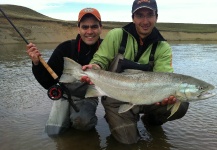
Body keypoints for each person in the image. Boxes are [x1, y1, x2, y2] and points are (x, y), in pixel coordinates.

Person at [81, 0, 189, 144]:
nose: (145, 21)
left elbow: (165, 77)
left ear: (156, 17)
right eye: (140, 15)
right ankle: (114, 116)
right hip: (116, 99)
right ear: (133, 17)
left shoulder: (163, 47)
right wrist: (93, 68)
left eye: (149, 15)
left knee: (181, 104)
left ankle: (151, 120)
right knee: (128, 143)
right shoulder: (116, 36)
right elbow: (100, 60)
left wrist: (167, 97)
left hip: (149, 98)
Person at [26, 8, 103, 134]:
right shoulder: (65, 48)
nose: (89, 31)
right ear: (78, 29)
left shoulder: (107, 49)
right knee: (54, 131)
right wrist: (36, 63)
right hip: (65, 94)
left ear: (101, 27)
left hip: (90, 95)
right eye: (85, 27)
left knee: (82, 123)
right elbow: (48, 83)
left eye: (94, 26)